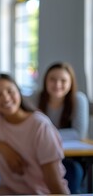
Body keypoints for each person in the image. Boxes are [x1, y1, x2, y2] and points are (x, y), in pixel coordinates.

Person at [0, 73, 69, 195]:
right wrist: (2, 147)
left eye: (10, 91)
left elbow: (54, 182)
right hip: (10, 190)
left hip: (41, 193)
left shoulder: (40, 125)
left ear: (19, 92)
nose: (6, 98)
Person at [34, 62, 88, 193]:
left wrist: (44, 136)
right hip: (39, 157)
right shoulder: (36, 98)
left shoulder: (78, 99)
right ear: (45, 80)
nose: (57, 84)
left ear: (71, 83)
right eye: (52, 79)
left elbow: (78, 133)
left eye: (63, 80)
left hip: (69, 158)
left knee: (73, 173)